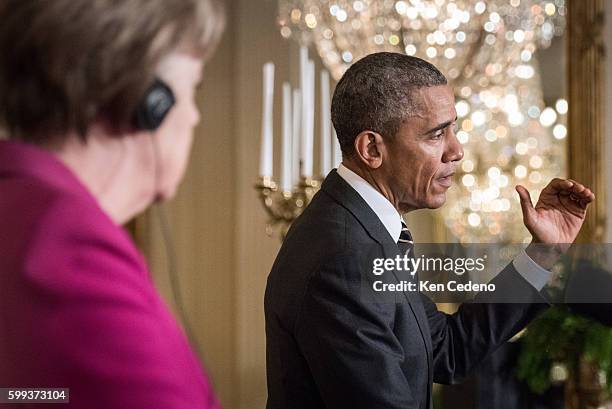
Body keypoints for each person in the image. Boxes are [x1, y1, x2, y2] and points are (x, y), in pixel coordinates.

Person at [264, 52, 595, 409]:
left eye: (454, 129)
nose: (457, 150)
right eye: (437, 135)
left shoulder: (364, 230)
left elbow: (448, 349)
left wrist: (543, 253)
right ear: (372, 149)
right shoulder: (346, 257)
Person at [0, 1, 224, 408]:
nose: (193, 116)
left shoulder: (17, 207)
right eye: (194, 88)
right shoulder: (67, 249)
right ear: (146, 100)